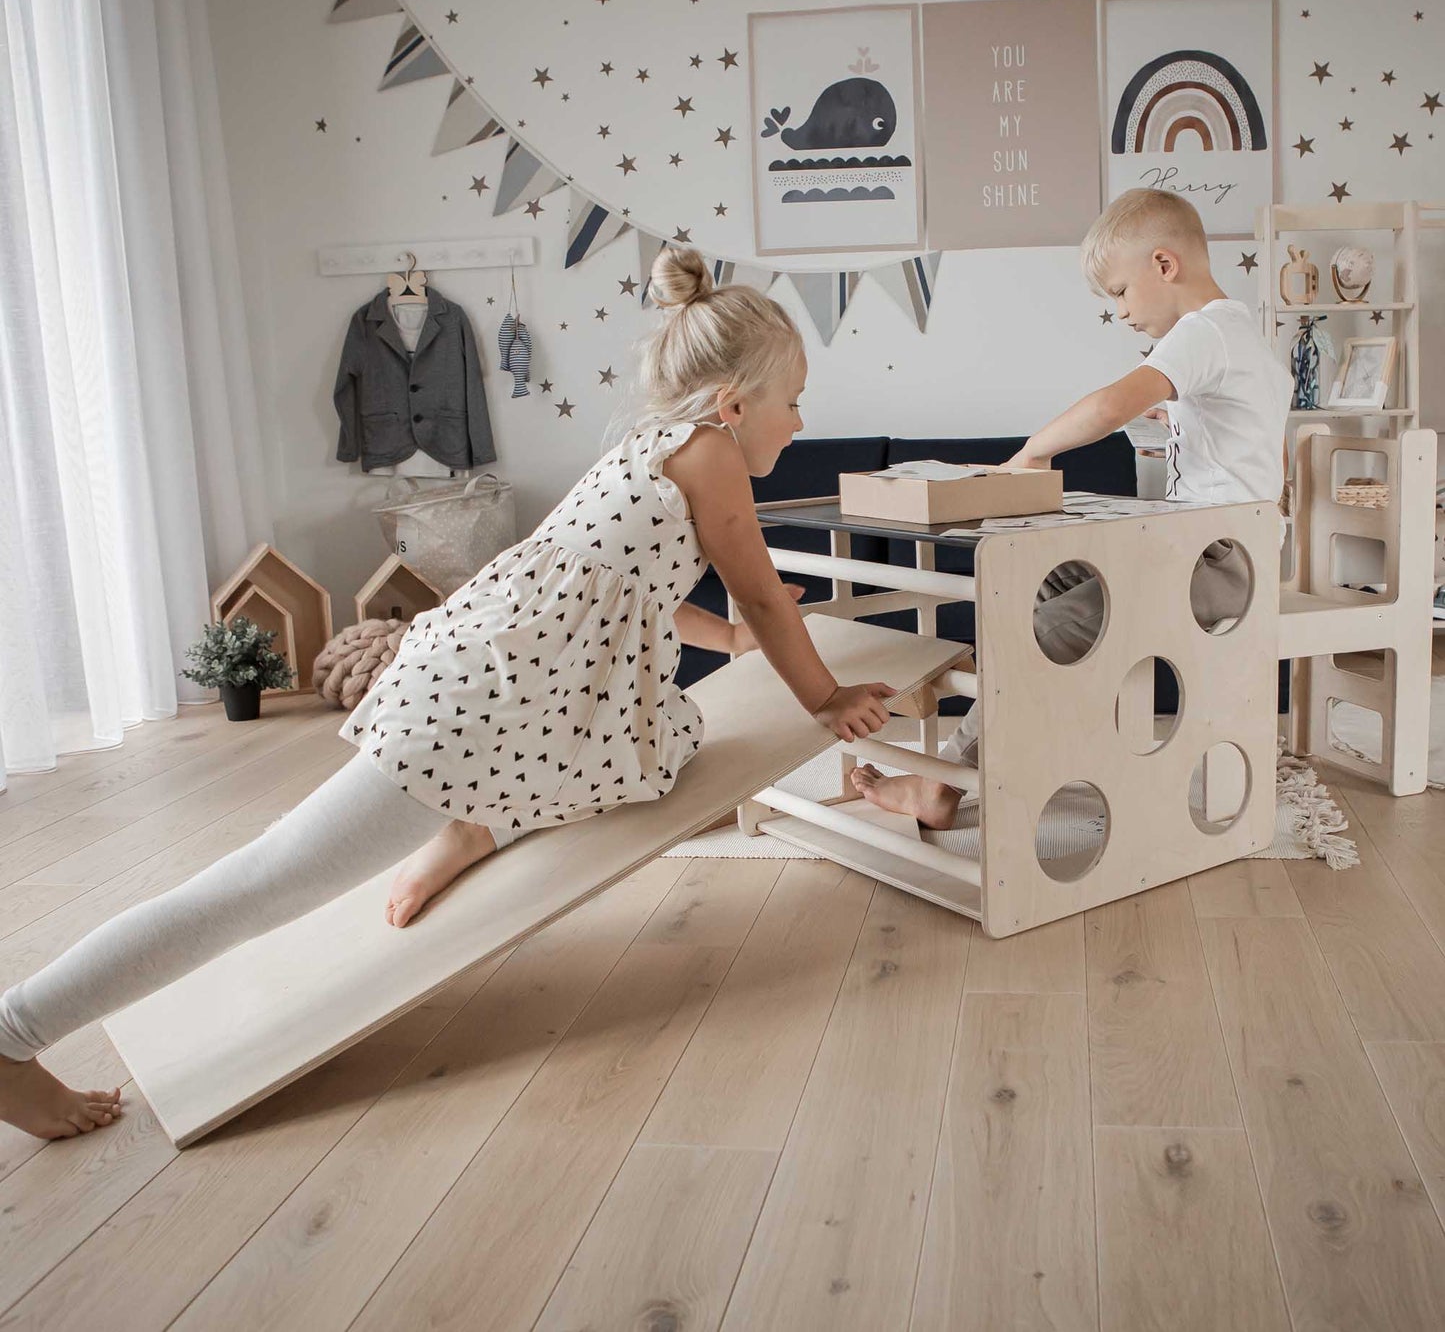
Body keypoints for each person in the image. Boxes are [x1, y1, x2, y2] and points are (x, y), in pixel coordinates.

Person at [0, 246, 895, 1140]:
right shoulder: (714, 459)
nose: (802, 419)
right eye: (793, 400)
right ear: (735, 405)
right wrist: (822, 697)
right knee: (266, 882)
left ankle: (475, 824)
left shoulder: (651, 451)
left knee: (664, 742)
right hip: (479, 709)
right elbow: (765, 595)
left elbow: (616, 593)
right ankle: (13, 1032)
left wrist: (729, 639)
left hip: (497, 689)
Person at [852, 186, 1292, 830]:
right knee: (1042, 578)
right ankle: (1033, 739)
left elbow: (1109, 406)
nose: (1118, 312)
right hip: (1213, 550)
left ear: (1163, 266)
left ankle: (943, 785)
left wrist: (1028, 453)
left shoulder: (1205, 333)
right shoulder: (1242, 334)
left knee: (1046, 625)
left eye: (1118, 291)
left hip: (1216, 562)